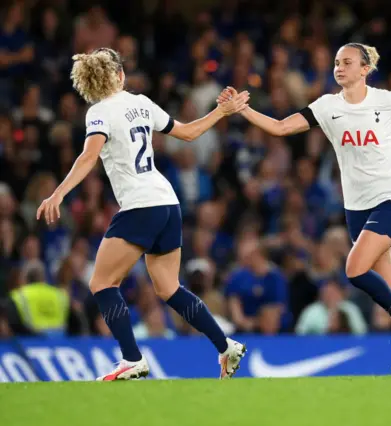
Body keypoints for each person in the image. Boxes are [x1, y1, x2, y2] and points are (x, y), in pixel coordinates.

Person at [218, 42, 391, 376]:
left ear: (365, 69)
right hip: (356, 208)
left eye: (347, 62)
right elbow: (280, 127)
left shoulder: (388, 100)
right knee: (389, 285)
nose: (339, 67)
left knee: (354, 269)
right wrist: (242, 111)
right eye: (336, 62)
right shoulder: (326, 106)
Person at [36, 48, 250, 380]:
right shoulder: (141, 103)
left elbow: (89, 155)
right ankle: (225, 346)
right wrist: (221, 112)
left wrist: (59, 192)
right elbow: (189, 133)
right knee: (168, 288)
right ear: (119, 75)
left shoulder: (98, 113)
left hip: (140, 204)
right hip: (168, 202)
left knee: (102, 282)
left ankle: (132, 358)